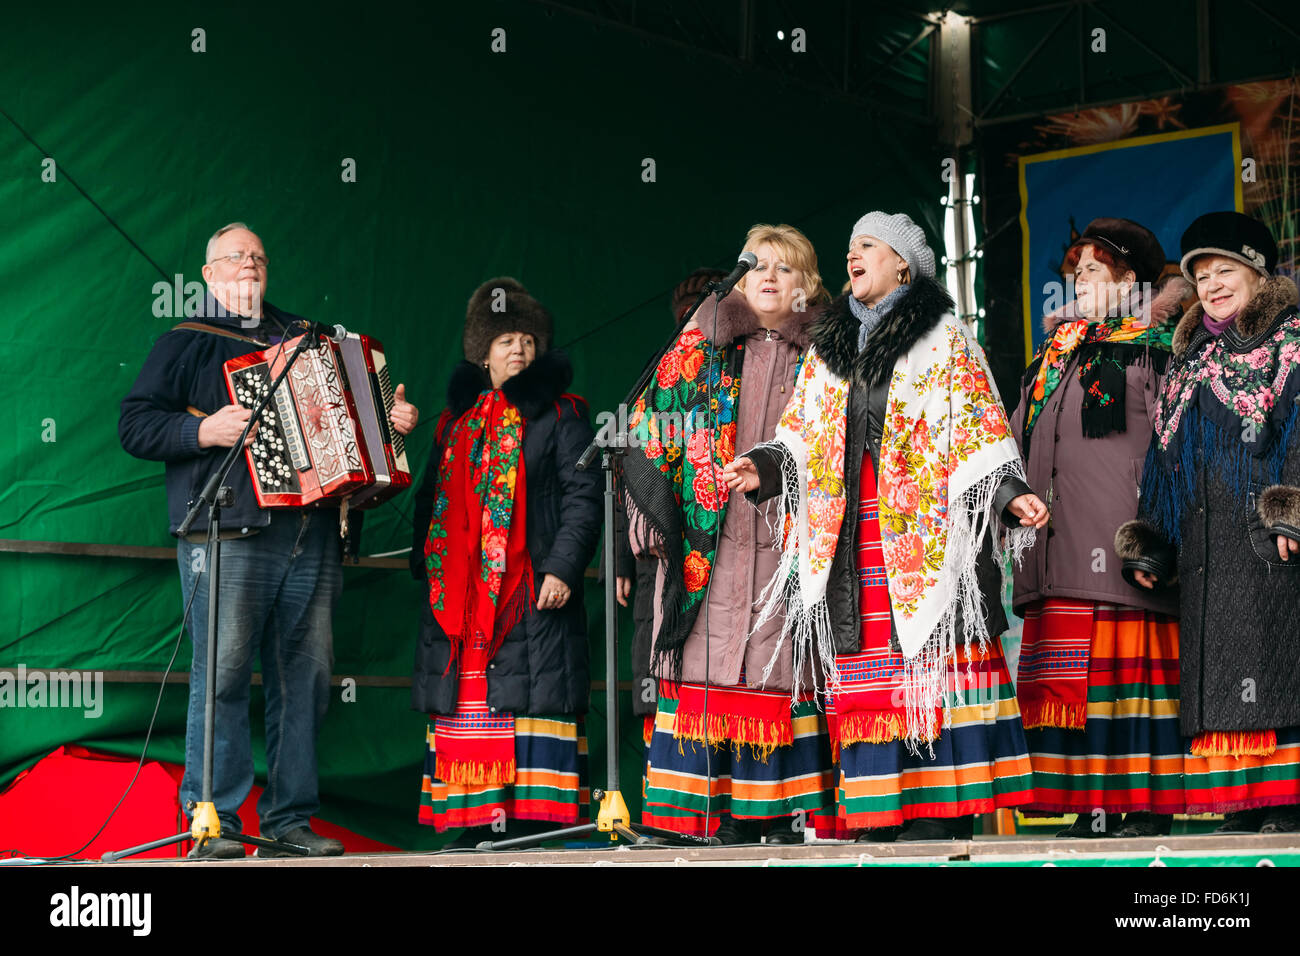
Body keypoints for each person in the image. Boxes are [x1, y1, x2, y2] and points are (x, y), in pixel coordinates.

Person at [724, 212, 1048, 841]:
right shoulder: (831, 344)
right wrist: (762, 467)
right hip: (853, 545)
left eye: (867, 246)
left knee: (930, 668)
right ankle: (877, 816)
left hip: (926, 545)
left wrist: (1011, 497)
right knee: (869, 675)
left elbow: (979, 435)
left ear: (903, 262)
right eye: (849, 246)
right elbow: (800, 435)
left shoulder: (946, 340)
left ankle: (939, 817)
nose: (853, 255)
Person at [119, 222, 419, 859]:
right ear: (208, 274)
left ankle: (290, 821)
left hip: (310, 532)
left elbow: (354, 408)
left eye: (257, 256)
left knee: (306, 681)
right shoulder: (188, 340)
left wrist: (388, 417)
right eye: (235, 257)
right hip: (227, 532)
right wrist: (204, 432)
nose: (249, 264)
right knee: (222, 676)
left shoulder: (303, 335)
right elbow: (136, 423)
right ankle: (214, 820)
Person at [623, 224, 835, 843]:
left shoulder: (827, 359)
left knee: (773, 673)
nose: (768, 276)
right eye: (757, 265)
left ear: (807, 286)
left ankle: (766, 821)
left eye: (785, 268)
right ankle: (686, 819)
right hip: (704, 547)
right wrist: (654, 520)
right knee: (701, 667)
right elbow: (648, 431)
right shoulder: (703, 344)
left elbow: (837, 449)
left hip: (787, 550)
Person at [1117, 211, 1300, 834]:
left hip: (1267, 538)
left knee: (1277, 659)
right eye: (1200, 275)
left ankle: (1286, 799)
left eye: (1226, 270)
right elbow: (1165, 460)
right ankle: (1245, 800)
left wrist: (1291, 506)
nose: (1213, 285)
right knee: (1223, 666)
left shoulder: (1291, 341)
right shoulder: (1190, 359)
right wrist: (1155, 540)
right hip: (1205, 542)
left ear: (1256, 272)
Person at [1010, 218, 1189, 838]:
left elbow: (1179, 445)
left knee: (1126, 689)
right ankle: (1092, 808)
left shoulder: (1158, 349)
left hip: (1121, 547)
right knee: (1071, 688)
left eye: (1094, 270)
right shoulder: (1052, 358)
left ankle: (1140, 807)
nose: (1080, 280)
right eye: (1076, 271)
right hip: (1056, 553)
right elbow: (1013, 441)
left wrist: (1163, 533)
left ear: (1131, 279)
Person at [410, 277, 602, 846]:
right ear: (481, 354)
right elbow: (429, 504)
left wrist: (564, 568)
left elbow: (583, 496)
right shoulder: (455, 425)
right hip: (463, 607)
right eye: (504, 341)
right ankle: (470, 835)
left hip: (531, 594)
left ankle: (529, 835)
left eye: (526, 339)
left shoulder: (562, 416)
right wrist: (434, 577)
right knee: (471, 716)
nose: (517, 350)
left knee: (529, 711)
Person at [614, 267, 727, 753]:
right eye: (686, 317)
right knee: (660, 660)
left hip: (721, 544)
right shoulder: (660, 372)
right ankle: (671, 802)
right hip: (662, 551)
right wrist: (621, 556)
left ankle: (723, 803)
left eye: (703, 313)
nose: (694, 325)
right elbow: (630, 475)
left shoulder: (734, 372)